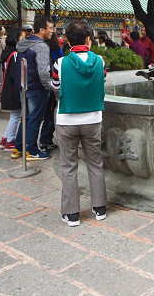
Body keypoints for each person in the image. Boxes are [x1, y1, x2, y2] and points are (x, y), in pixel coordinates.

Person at [50, 22, 107, 226]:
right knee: (95, 163)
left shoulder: (60, 63)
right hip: (93, 119)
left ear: (67, 40)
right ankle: (99, 208)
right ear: (88, 40)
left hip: (67, 120)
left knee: (68, 166)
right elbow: (102, 81)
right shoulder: (99, 61)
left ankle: (72, 214)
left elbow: (55, 86)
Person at [12, 17, 54, 161]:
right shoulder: (41, 46)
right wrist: (49, 85)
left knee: (25, 118)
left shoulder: (23, 44)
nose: (52, 32)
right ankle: (32, 151)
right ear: (41, 30)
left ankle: (18, 149)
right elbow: (43, 71)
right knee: (35, 119)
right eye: (50, 28)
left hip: (24, 87)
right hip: (37, 88)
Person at [39, 33, 64, 153]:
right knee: (50, 115)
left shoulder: (43, 48)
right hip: (53, 84)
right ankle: (45, 140)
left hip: (46, 84)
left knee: (47, 115)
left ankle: (46, 140)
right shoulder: (57, 49)